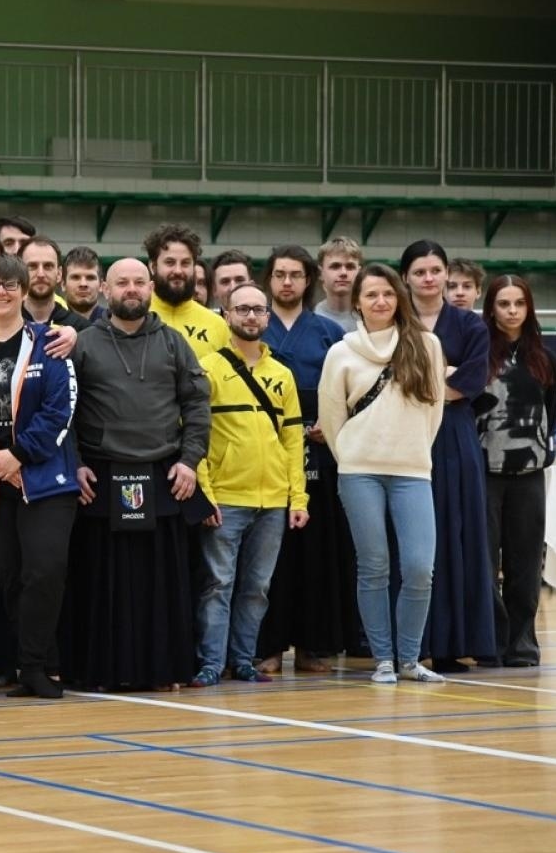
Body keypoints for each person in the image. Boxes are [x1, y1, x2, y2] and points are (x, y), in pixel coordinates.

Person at [65, 258, 211, 692]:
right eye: (121, 283)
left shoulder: (174, 343)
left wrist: (189, 460)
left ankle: (164, 669)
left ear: (151, 287)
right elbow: (62, 410)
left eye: (138, 283)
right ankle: (101, 672)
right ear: (105, 290)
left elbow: (198, 405)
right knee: (102, 583)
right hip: (100, 477)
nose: (131, 289)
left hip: (165, 474)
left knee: (162, 585)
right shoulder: (83, 344)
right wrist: (75, 463)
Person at [0, 255, 79, 699]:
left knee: (45, 571)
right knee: (10, 578)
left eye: (9, 285)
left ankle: (38, 666)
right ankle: (21, 663)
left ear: (25, 291)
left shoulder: (51, 343)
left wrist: (20, 455)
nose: (0, 293)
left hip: (45, 482)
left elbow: (61, 409)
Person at [318, 264, 447, 685]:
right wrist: (351, 457)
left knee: (418, 567)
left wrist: (412, 453)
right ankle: (384, 660)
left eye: (388, 294)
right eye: (371, 294)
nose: (381, 301)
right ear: (357, 301)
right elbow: (331, 416)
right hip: (359, 473)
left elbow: (435, 411)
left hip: (412, 471)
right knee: (373, 566)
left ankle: (410, 659)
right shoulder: (341, 352)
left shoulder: (426, 345)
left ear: (399, 298)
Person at [191, 283, 308, 687]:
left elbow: (294, 440)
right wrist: (204, 492)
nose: (251, 317)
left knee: (257, 588)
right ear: (226, 316)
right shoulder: (207, 369)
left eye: (259, 310)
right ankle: (210, 662)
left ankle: (243, 660)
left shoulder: (283, 375)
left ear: (268, 318)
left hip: (273, 500)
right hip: (225, 496)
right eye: (242, 309)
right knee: (217, 585)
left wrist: (299, 497)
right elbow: (196, 437)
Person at [252, 246, 353, 676]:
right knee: (270, 557)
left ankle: (314, 647)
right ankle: (268, 647)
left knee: (316, 554)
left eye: (295, 274)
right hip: (266, 456)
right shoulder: (252, 326)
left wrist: (330, 425)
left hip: (321, 454)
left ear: (309, 280)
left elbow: (349, 390)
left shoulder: (329, 331)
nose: (287, 282)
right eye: (279, 275)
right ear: (268, 280)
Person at [401, 239, 496, 673]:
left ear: (445, 274)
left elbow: (472, 380)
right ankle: (409, 643)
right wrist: (442, 377)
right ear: (406, 276)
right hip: (402, 435)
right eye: (419, 271)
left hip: (453, 439)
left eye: (435, 270)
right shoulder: (395, 322)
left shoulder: (470, 326)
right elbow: (388, 380)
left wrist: (426, 384)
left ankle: (454, 641)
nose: (428, 278)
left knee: (456, 534)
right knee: (412, 542)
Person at [474, 276, 556, 668]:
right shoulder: (479, 355)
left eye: (518, 303)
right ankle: (492, 641)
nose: (511, 311)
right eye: (503, 303)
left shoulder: (544, 359)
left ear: (529, 308)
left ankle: (521, 645)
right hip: (484, 474)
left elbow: (550, 414)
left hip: (529, 476)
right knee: (486, 563)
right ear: (491, 308)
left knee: (525, 564)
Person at [145, 223, 229, 352]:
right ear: (153, 266)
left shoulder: (217, 325)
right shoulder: (134, 317)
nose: (178, 271)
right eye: (170, 262)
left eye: (185, 263)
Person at [19, 236, 87, 329]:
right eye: (32, 266)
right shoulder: (3, 327)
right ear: (19, 272)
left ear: (59, 274)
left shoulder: (81, 329)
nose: (40, 274)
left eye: (48, 266)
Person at [315, 236, 362, 332]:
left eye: (350, 267)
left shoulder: (372, 320)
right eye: (335, 266)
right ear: (320, 273)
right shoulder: (310, 319)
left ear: (359, 272)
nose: (343, 273)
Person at [61, 246, 107, 323]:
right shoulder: (51, 324)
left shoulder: (115, 324)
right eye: (75, 277)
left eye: (90, 278)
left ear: (101, 285)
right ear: (63, 284)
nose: (83, 284)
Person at [208, 249, 253, 313]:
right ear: (214, 290)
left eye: (239, 280)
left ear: (252, 286)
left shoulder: (268, 322)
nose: (233, 288)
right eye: (225, 282)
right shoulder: (203, 322)